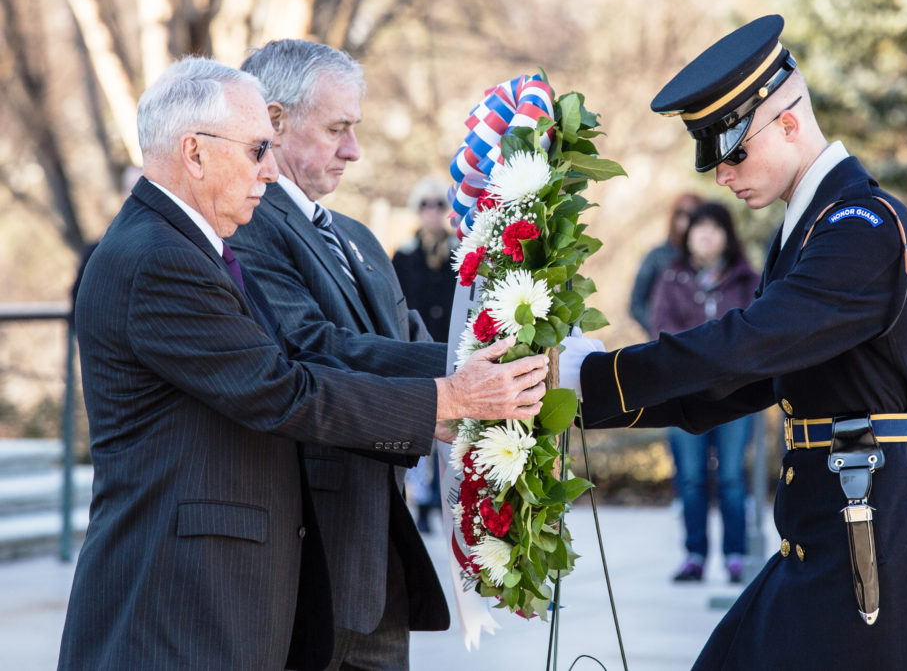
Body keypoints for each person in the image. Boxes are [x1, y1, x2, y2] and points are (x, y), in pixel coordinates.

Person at [58, 56, 548, 671]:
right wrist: (449, 401)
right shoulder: (159, 258)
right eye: (258, 146)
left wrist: (457, 393)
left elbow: (305, 362)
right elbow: (281, 390)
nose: (270, 166)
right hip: (176, 603)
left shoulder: (185, 245)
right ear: (194, 153)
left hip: (214, 598)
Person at [560, 15, 907, 670]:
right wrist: (583, 399)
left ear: (789, 123)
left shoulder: (860, 225)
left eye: (734, 153)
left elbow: (746, 346)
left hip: (868, 536)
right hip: (829, 530)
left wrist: (594, 376)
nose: (723, 177)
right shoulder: (808, 229)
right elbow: (737, 382)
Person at [228, 41, 453, 670]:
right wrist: (468, 374)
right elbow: (313, 349)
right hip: (305, 563)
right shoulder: (247, 224)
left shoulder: (355, 235)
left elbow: (405, 341)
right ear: (273, 121)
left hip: (378, 563)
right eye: (337, 129)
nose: (353, 150)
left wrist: (497, 354)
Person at [646, 201, 759, 583]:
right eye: (699, 227)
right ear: (688, 235)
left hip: (737, 398)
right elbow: (662, 331)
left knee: (730, 476)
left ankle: (735, 557)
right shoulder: (670, 278)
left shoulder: (747, 280)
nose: (706, 234)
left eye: (714, 227)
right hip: (683, 398)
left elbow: (757, 332)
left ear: (728, 234)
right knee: (691, 477)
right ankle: (694, 554)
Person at [392, 176, 460, 534]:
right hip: (417, 351)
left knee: (450, 432)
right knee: (421, 427)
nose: (432, 211)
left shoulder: (460, 252)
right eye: (425, 204)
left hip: (453, 349)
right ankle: (420, 502)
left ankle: (442, 500)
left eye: (439, 204)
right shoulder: (403, 255)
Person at [628, 192, 702, 330]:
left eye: (691, 215)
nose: (684, 221)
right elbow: (636, 304)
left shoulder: (709, 260)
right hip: (664, 343)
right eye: (681, 214)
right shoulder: (656, 257)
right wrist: (661, 330)